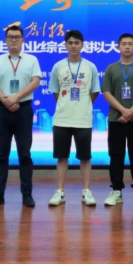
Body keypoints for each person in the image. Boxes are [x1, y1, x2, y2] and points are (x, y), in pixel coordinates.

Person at [0, 25, 41, 208]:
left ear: (23, 39)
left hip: (23, 110)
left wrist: (15, 98)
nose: (14, 40)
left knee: (25, 154)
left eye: (17, 37)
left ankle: (27, 195)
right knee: (1, 155)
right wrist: (5, 100)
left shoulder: (32, 60)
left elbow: (35, 82)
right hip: (2, 109)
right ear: (5, 40)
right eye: (10, 37)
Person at [47, 30, 101, 206]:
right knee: (61, 157)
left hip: (83, 120)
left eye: (77, 43)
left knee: (85, 157)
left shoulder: (90, 67)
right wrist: (67, 105)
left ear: (82, 45)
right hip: (62, 119)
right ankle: (60, 191)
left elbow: (94, 92)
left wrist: (83, 105)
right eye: (70, 43)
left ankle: (86, 191)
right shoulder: (58, 66)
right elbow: (56, 92)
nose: (73, 46)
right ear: (65, 45)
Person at [101, 33, 133, 207]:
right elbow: (107, 93)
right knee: (116, 156)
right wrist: (123, 110)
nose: (127, 46)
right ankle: (116, 190)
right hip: (115, 119)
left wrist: (131, 112)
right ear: (118, 47)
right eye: (124, 44)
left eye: (130, 44)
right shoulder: (111, 69)